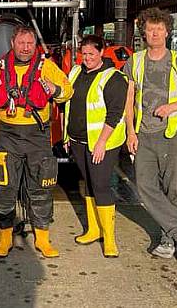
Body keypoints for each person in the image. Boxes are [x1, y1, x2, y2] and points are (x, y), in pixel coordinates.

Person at [0, 24, 73, 258]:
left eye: (30, 43)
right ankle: (4, 238)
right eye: (21, 43)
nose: (25, 48)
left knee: (40, 189)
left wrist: (55, 89)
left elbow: (68, 91)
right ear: (13, 43)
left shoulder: (46, 67)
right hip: (8, 137)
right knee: (5, 189)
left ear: (35, 45)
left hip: (38, 137)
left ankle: (42, 239)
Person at [124, 8, 177, 260]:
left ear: (167, 32)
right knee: (145, 187)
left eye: (159, 29)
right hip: (143, 133)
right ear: (143, 33)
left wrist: (173, 107)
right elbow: (129, 99)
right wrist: (129, 132)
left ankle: (170, 241)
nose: (155, 33)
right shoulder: (134, 62)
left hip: (173, 133)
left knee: (174, 189)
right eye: (150, 29)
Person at [63, 35, 128, 257]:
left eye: (92, 54)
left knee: (101, 185)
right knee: (88, 183)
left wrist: (101, 143)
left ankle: (109, 238)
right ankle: (93, 229)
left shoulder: (114, 78)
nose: (87, 58)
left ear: (102, 52)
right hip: (78, 140)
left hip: (102, 143)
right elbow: (69, 106)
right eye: (84, 54)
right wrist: (66, 136)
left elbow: (115, 113)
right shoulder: (75, 72)